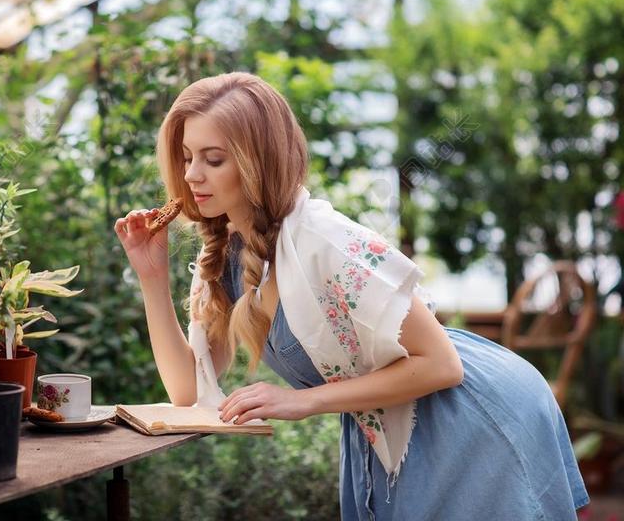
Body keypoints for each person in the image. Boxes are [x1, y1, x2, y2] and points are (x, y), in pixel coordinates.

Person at [114, 72, 589, 519]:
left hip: (467, 417)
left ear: (257, 162)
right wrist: (152, 278)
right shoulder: (229, 255)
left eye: (213, 159)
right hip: (393, 425)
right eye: (187, 156)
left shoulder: (325, 241)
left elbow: (444, 364)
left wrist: (304, 400)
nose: (193, 174)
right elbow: (188, 391)